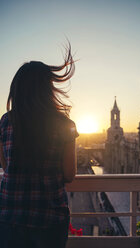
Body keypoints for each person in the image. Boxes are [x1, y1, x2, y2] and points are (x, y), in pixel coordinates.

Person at [0, 44, 78, 248]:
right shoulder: (65, 125)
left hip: (10, 217)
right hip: (50, 219)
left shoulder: (6, 122)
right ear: (48, 88)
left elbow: (6, 166)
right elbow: (69, 174)